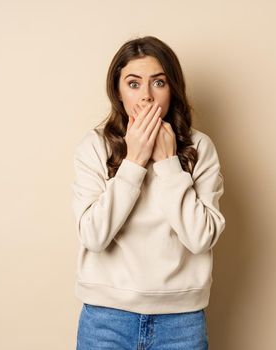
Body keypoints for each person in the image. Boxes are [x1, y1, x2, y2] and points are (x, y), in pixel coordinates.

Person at [71, 35, 226, 349]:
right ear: (117, 91)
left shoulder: (199, 148)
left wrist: (168, 164)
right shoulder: (94, 146)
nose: (146, 97)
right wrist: (134, 162)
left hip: (181, 321)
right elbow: (94, 236)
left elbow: (201, 238)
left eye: (158, 83)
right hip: (106, 318)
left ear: (173, 89)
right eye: (133, 84)